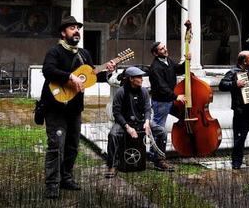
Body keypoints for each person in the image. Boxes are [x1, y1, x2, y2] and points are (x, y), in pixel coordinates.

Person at [40, 16, 115, 199]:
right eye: (72, 28)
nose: (76, 31)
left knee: (72, 146)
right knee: (56, 146)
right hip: (55, 107)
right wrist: (69, 77)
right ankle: (52, 184)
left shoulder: (84, 54)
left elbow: (91, 76)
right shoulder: (55, 52)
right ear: (63, 33)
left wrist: (109, 70)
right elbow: (48, 71)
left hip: (74, 108)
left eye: (77, 28)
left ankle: (66, 178)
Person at [105, 67, 169, 178]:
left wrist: (147, 122)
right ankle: (113, 165)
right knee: (113, 135)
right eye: (139, 77)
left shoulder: (143, 91)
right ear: (131, 79)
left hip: (141, 122)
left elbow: (147, 109)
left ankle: (159, 160)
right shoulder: (121, 92)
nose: (142, 79)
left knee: (162, 132)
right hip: (124, 123)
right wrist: (127, 127)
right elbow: (116, 113)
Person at [147, 41, 188, 169]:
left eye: (164, 47)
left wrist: (187, 61)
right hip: (161, 103)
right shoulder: (155, 68)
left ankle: (154, 153)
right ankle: (157, 158)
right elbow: (161, 87)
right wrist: (176, 96)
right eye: (161, 49)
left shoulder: (168, 61)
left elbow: (179, 70)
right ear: (155, 53)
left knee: (185, 116)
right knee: (159, 130)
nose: (165, 49)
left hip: (170, 100)